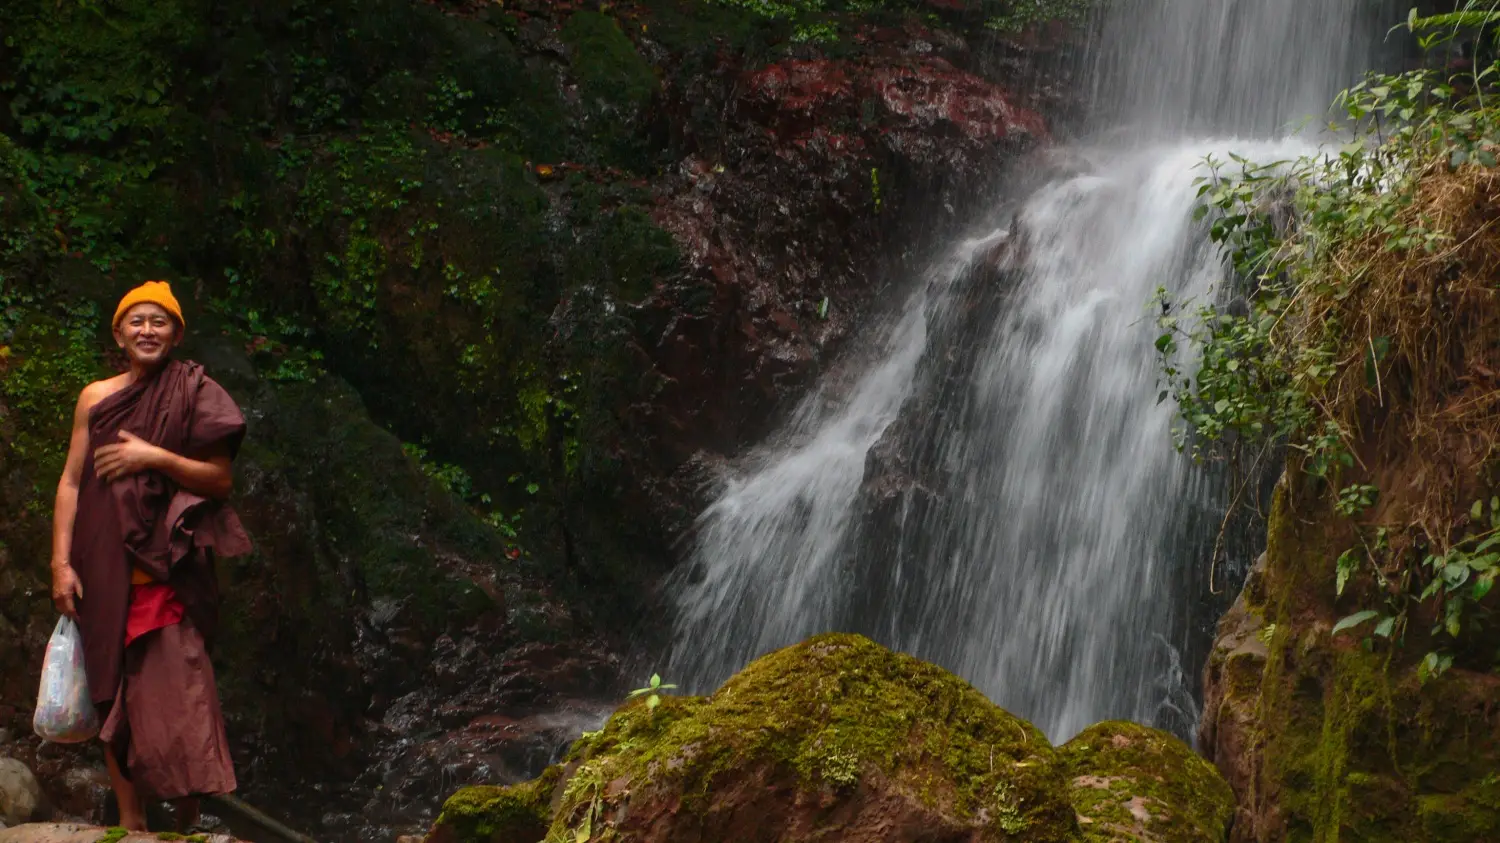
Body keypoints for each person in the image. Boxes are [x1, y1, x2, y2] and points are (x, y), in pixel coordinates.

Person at [48, 280, 251, 832]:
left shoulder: (194, 391)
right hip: (100, 570)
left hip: (167, 574)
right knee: (112, 695)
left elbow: (220, 480)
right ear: (119, 333)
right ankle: (133, 826)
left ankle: (185, 824)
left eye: (159, 322)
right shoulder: (95, 397)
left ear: (177, 333)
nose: (147, 330)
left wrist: (151, 456)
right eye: (136, 321)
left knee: (182, 697)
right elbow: (70, 483)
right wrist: (60, 563)